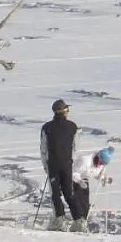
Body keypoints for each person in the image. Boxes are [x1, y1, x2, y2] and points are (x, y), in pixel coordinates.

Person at [40, 98, 79, 231]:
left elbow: (43, 149)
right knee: (69, 193)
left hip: (53, 165)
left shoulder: (46, 128)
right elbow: (75, 147)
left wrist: (46, 167)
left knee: (55, 194)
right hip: (67, 164)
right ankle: (79, 221)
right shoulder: (73, 127)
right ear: (65, 111)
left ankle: (59, 221)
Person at [69, 146, 114, 233]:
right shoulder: (85, 161)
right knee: (78, 203)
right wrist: (79, 181)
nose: (100, 165)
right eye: (100, 162)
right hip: (75, 179)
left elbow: (97, 174)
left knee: (86, 205)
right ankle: (77, 223)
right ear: (98, 156)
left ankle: (82, 224)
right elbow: (72, 172)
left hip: (84, 180)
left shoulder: (101, 165)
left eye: (103, 164)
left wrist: (104, 179)